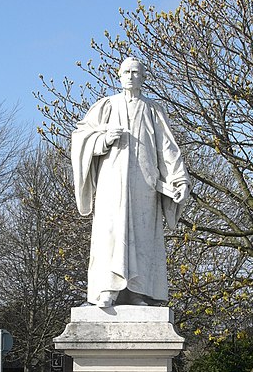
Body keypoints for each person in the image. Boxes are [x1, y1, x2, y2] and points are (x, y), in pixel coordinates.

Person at [71, 57, 190, 307]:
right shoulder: (106, 106)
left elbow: (167, 147)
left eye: (136, 71)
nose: (130, 76)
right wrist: (103, 139)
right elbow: (81, 136)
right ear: (119, 75)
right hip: (111, 184)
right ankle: (107, 289)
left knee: (143, 236)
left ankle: (139, 293)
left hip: (144, 186)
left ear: (143, 77)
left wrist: (179, 180)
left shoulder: (153, 110)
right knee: (109, 234)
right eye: (126, 71)